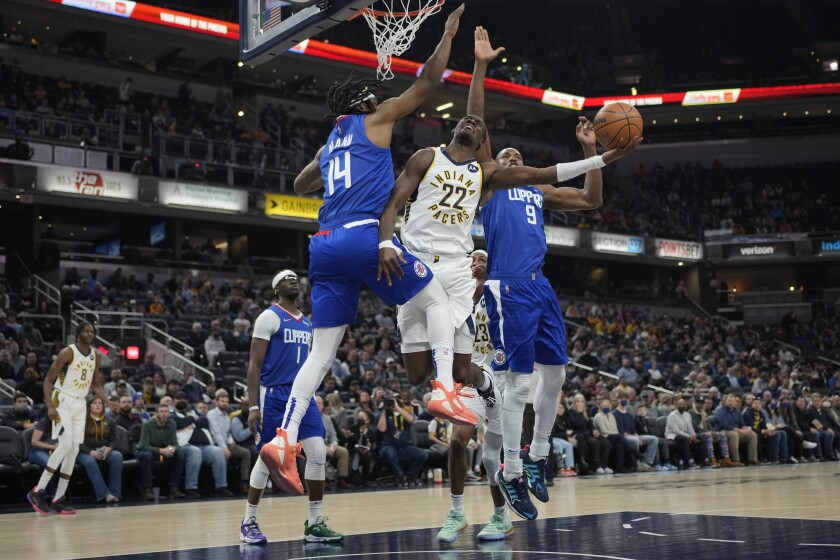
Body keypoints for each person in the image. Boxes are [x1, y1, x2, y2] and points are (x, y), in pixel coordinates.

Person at [266, 6, 471, 496]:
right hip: (362, 235)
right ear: (363, 102)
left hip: (323, 247)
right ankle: (444, 387)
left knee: (320, 353)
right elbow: (428, 83)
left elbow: (299, 181)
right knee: (436, 300)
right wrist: (447, 33)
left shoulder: (331, 140)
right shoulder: (374, 119)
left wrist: (324, 164)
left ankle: (282, 437)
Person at [463, 28, 641, 520]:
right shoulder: (492, 185)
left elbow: (591, 199)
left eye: (518, 154)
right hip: (508, 287)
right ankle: (512, 471)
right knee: (519, 385)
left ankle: (539, 457)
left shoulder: (536, 192)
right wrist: (480, 66)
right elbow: (476, 121)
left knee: (556, 375)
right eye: (503, 154)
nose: (511, 156)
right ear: (492, 163)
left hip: (540, 288)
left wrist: (590, 151)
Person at [242, 270, 343, 544]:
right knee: (268, 456)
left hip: (303, 395)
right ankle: (249, 520)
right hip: (274, 394)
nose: (294, 281)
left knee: (317, 452)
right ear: (276, 288)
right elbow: (254, 365)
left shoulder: (308, 323)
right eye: (287, 278)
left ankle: (314, 523)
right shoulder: (269, 317)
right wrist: (253, 406)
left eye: (296, 278)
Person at [27, 322, 108, 515]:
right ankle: (38, 491)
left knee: (73, 450)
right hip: (62, 399)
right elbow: (47, 380)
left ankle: (59, 499)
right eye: (86, 330)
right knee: (64, 445)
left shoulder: (96, 356)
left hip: (80, 403)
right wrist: (49, 406)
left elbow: (96, 385)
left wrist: (108, 400)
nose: (90, 334)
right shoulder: (68, 352)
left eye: (92, 331)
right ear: (78, 333)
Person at [75, 396, 123, 504]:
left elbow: (115, 440)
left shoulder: (110, 421)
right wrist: (90, 451)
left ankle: (115, 494)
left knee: (117, 456)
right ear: (89, 406)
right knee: (90, 461)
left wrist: (109, 448)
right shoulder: (82, 420)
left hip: (104, 451)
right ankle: (105, 494)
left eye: (100, 403)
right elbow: (76, 441)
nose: (98, 405)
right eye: (95, 403)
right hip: (83, 452)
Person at [136, 403, 187, 501]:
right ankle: (148, 490)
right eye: (161, 412)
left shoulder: (172, 424)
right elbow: (144, 446)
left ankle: (174, 488)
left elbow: (175, 444)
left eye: (166, 411)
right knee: (147, 456)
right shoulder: (147, 425)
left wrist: (170, 450)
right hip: (147, 451)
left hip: (164, 451)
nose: (164, 414)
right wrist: (161, 450)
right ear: (156, 414)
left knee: (179, 454)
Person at [208, 388, 253, 494]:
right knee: (221, 454)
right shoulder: (212, 414)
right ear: (216, 402)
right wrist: (224, 448)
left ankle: (244, 483)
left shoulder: (226, 416)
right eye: (222, 401)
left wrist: (231, 441)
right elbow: (216, 434)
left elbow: (227, 433)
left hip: (227, 444)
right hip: (216, 445)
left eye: (227, 402)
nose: (225, 404)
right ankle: (221, 486)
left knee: (246, 453)